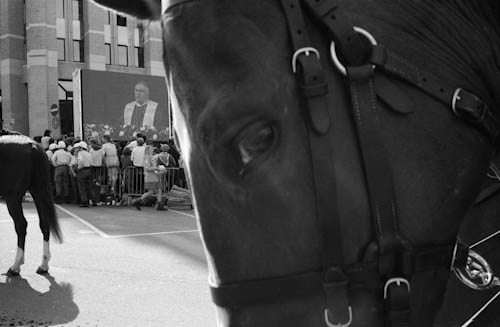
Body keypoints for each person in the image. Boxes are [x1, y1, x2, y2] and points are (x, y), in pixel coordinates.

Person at [131, 145, 168, 211]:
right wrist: (156, 168)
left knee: (158, 190)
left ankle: (159, 204)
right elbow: (147, 168)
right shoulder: (147, 158)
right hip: (151, 177)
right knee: (152, 191)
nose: (153, 150)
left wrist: (159, 168)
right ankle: (138, 201)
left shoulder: (152, 157)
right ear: (148, 150)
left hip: (155, 176)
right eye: (151, 149)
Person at [75, 142, 95, 207]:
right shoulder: (89, 154)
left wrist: (78, 168)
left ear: (81, 148)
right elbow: (92, 162)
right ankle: (93, 199)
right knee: (89, 186)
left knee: (82, 187)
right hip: (89, 170)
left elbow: (80, 161)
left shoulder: (80, 153)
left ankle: (84, 201)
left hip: (82, 170)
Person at [102, 135, 120, 200]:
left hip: (109, 160)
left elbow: (102, 155)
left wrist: (103, 162)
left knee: (110, 175)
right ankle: (114, 187)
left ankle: (112, 187)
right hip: (115, 159)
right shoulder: (113, 145)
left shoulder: (104, 146)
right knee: (115, 175)